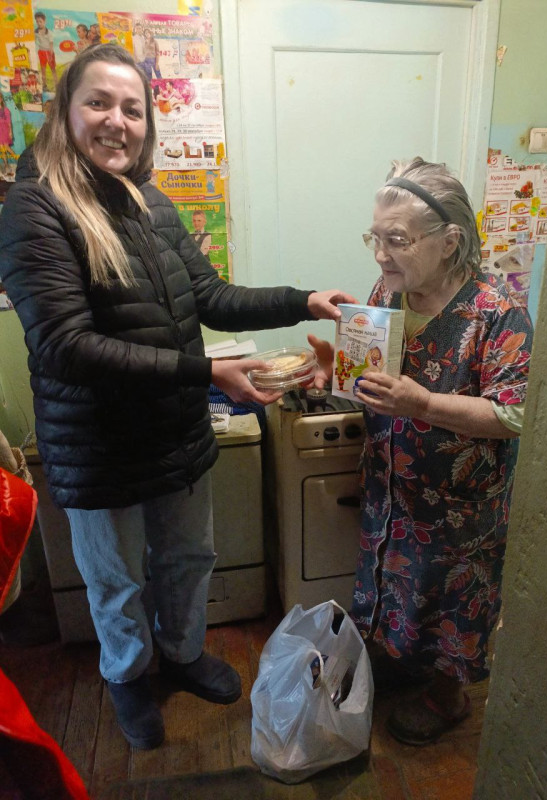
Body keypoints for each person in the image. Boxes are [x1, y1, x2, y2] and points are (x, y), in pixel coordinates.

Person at [0, 43, 356, 752]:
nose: (117, 121)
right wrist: (206, 374)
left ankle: (184, 654)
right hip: (97, 447)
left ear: (147, 125)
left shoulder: (150, 202)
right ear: (66, 111)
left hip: (176, 434)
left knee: (189, 559)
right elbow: (67, 346)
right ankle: (129, 677)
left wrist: (303, 299)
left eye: (133, 109)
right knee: (116, 583)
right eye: (99, 102)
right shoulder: (33, 209)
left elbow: (211, 296)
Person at [309, 157, 533, 746]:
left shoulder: (497, 314)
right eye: (375, 239)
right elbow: (368, 379)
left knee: (453, 596)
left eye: (397, 240)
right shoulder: (387, 294)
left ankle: (447, 695)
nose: (381, 256)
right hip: (392, 487)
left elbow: (514, 414)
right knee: (393, 579)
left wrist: (425, 404)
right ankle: (405, 662)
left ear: (449, 241)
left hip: (460, 506)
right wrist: (334, 374)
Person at [34, 12, 58, 91]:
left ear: (44, 21)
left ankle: (57, 85)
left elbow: (51, 44)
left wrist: (50, 54)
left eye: (40, 21)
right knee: (43, 70)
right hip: (41, 52)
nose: (39, 23)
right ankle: (44, 86)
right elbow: (33, 40)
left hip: (49, 52)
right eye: (37, 21)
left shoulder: (49, 32)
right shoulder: (35, 32)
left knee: (53, 69)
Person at [0, 94, 16, 176]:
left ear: (1, 99)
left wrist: (10, 132)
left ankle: (18, 159)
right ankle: (6, 165)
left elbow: (9, 122)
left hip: (5, 131)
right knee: (2, 149)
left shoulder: (6, 110)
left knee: (7, 147)